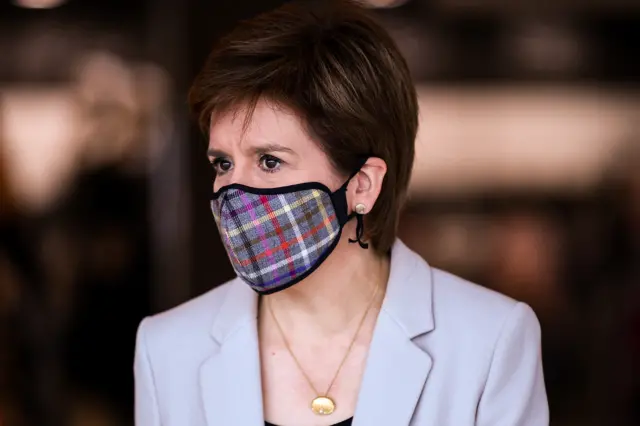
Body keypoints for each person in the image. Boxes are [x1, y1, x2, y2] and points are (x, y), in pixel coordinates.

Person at [133, 1, 549, 425]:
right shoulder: (168, 349)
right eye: (223, 163)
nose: (233, 193)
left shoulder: (489, 340)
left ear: (362, 185)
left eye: (269, 161)